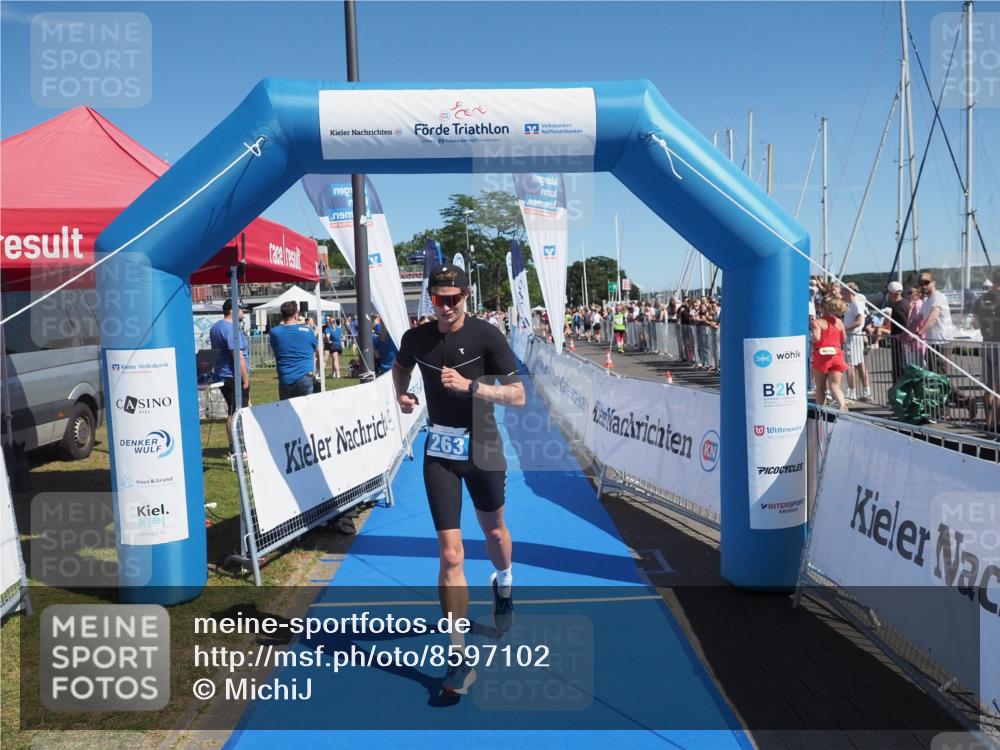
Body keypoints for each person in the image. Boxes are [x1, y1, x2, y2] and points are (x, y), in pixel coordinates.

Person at [391, 264, 526, 697]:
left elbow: (518, 395)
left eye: (453, 299)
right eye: (438, 299)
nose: (446, 307)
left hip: (483, 446)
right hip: (440, 451)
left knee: (495, 532)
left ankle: (504, 583)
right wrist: (402, 394)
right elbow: (400, 368)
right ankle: (458, 657)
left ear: (466, 296)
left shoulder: (487, 335)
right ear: (430, 299)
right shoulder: (416, 338)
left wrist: (473, 387)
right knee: (451, 554)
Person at [210, 298, 250, 453]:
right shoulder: (230, 329)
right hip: (233, 376)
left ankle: (239, 445)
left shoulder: (216, 327)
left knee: (238, 409)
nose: (243, 312)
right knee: (235, 413)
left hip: (223, 374)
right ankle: (236, 448)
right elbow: (237, 357)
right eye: (241, 309)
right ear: (233, 310)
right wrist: (245, 379)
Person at [269, 301, 320, 400]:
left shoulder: (275, 332)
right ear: (296, 315)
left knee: (287, 408)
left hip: (285, 377)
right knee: (306, 408)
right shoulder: (307, 331)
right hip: (304, 376)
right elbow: (315, 348)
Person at [810, 296, 849, 410]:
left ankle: (820, 412)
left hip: (821, 356)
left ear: (821, 307)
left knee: (820, 388)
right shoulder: (839, 322)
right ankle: (843, 406)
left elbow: (816, 338)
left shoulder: (816, 322)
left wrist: (810, 340)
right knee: (835, 386)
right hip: (836, 355)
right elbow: (843, 339)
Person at [973, 268, 1000, 431]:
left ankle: (988, 421)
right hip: (999, 344)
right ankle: (996, 423)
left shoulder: (982, 299)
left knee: (989, 386)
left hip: (986, 343)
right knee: (999, 389)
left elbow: (975, 323)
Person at [841, 283, 871, 401]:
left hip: (853, 337)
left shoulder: (855, 303)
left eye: (843, 292)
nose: (841, 294)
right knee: (859, 364)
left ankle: (852, 392)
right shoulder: (854, 303)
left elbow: (859, 321)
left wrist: (844, 329)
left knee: (850, 365)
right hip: (854, 336)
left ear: (849, 292)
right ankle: (866, 391)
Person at [886, 281, 909, 384]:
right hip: (903, 340)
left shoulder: (897, 307)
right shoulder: (905, 303)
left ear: (891, 293)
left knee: (898, 366)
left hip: (899, 341)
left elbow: (905, 323)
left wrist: (901, 335)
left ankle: (898, 387)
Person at [322, 315, 343, 379]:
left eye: (329, 319)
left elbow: (327, 336)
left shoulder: (330, 328)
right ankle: (331, 374)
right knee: (328, 359)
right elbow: (343, 337)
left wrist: (329, 341)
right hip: (337, 345)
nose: (327, 320)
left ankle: (337, 374)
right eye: (327, 319)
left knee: (335, 360)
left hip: (333, 345)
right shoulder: (339, 329)